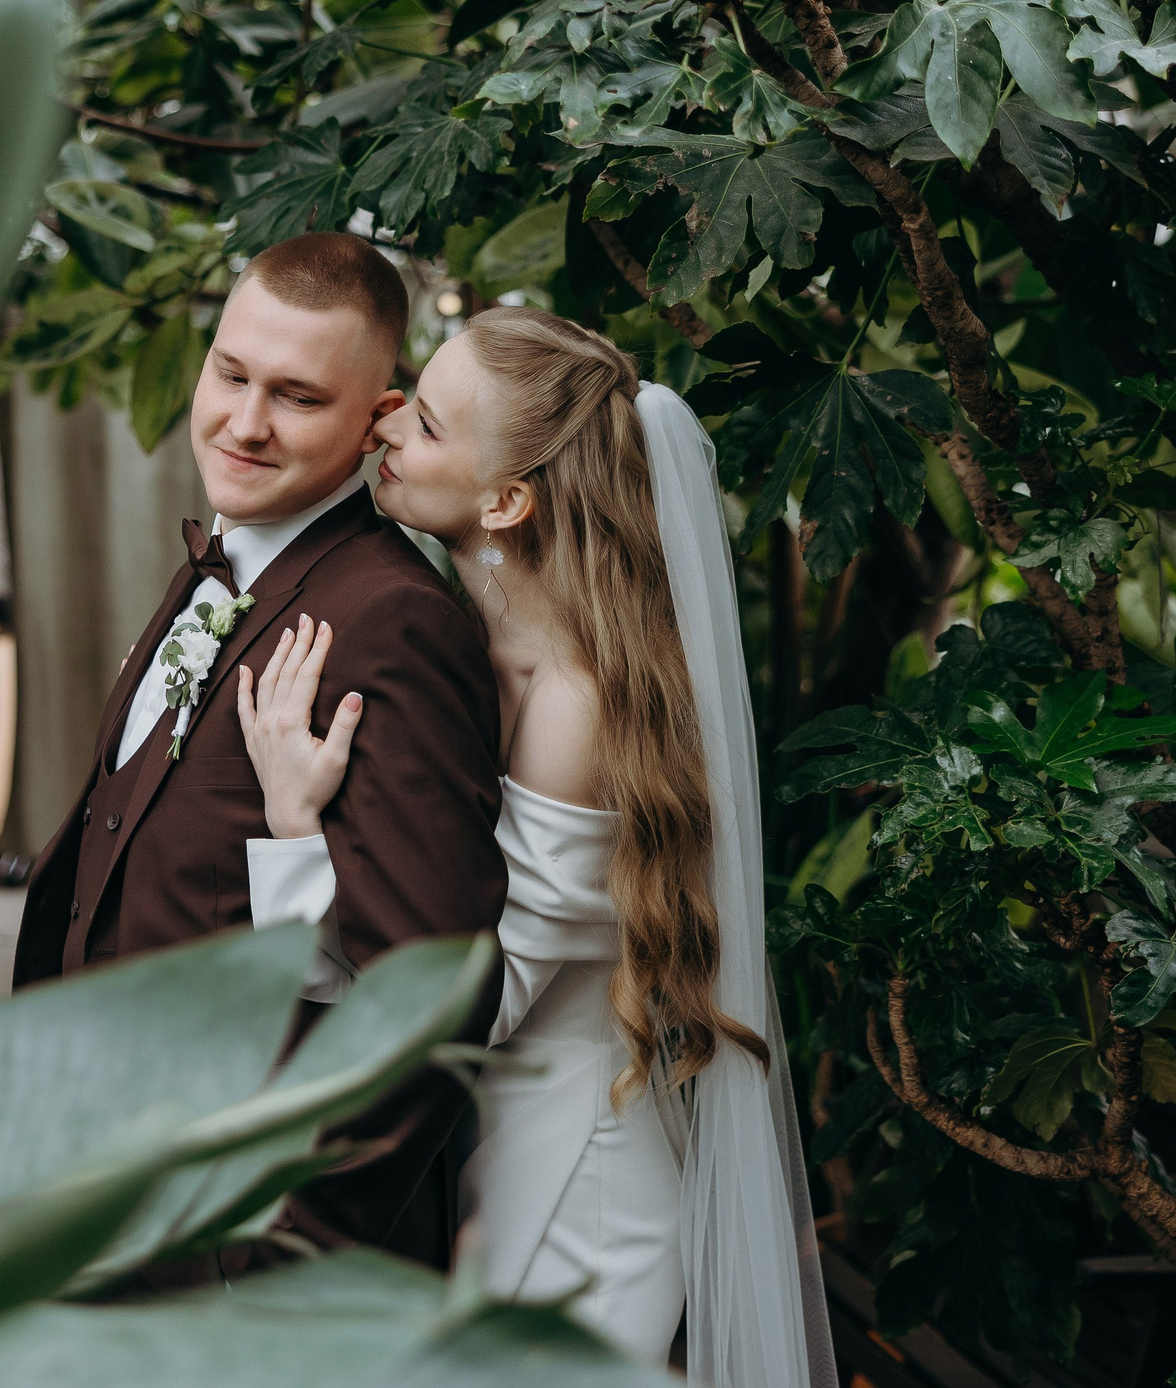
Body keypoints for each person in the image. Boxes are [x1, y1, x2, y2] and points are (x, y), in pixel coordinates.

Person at [235, 306, 837, 1387]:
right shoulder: (470, 644)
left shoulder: (574, 711)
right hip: (493, 1135)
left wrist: (293, 827)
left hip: (575, 1181)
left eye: (419, 424)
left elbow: (471, 999)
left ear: (506, 500)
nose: (382, 433)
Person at [11, 232, 508, 1272]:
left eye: (296, 397)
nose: (243, 423)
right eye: (229, 374)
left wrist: (281, 1251)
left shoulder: (390, 624)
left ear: (379, 416)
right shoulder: (220, 566)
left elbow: (427, 999)